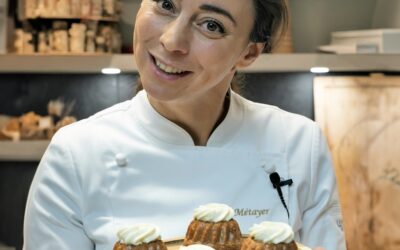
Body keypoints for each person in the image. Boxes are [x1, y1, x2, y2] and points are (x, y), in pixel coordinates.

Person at [23, 0, 346, 250]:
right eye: (166, 4)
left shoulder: (298, 143)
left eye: (211, 25)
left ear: (248, 53)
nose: (172, 40)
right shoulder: (76, 153)